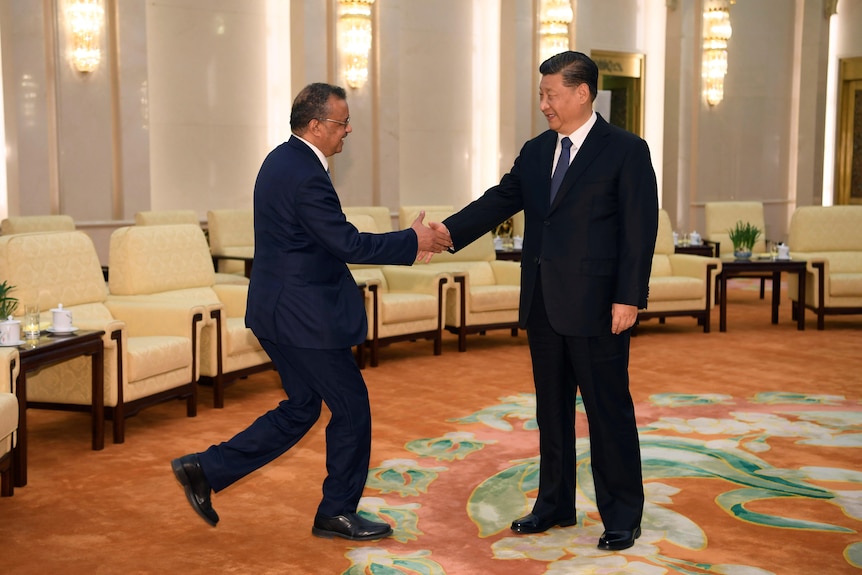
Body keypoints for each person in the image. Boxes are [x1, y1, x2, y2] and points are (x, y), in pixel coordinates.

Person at [171, 82, 452, 541]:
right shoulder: (304, 174)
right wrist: (411, 240)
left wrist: (407, 241)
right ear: (317, 125)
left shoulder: (283, 160)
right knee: (352, 408)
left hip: (280, 312)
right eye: (342, 123)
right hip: (302, 318)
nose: (348, 131)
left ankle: (205, 468)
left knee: (302, 407)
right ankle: (336, 512)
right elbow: (345, 242)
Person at [434, 51, 658, 551]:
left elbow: (640, 231)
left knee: (607, 412)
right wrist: (446, 233)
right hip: (542, 304)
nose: (543, 104)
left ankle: (623, 515)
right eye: (541, 94)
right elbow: (499, 200)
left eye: (550, 94)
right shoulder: (537, 151)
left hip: (600, 306)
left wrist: (629, 297)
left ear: (582, 93)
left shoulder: (626, 150)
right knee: (550, 413)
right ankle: (553, 503)